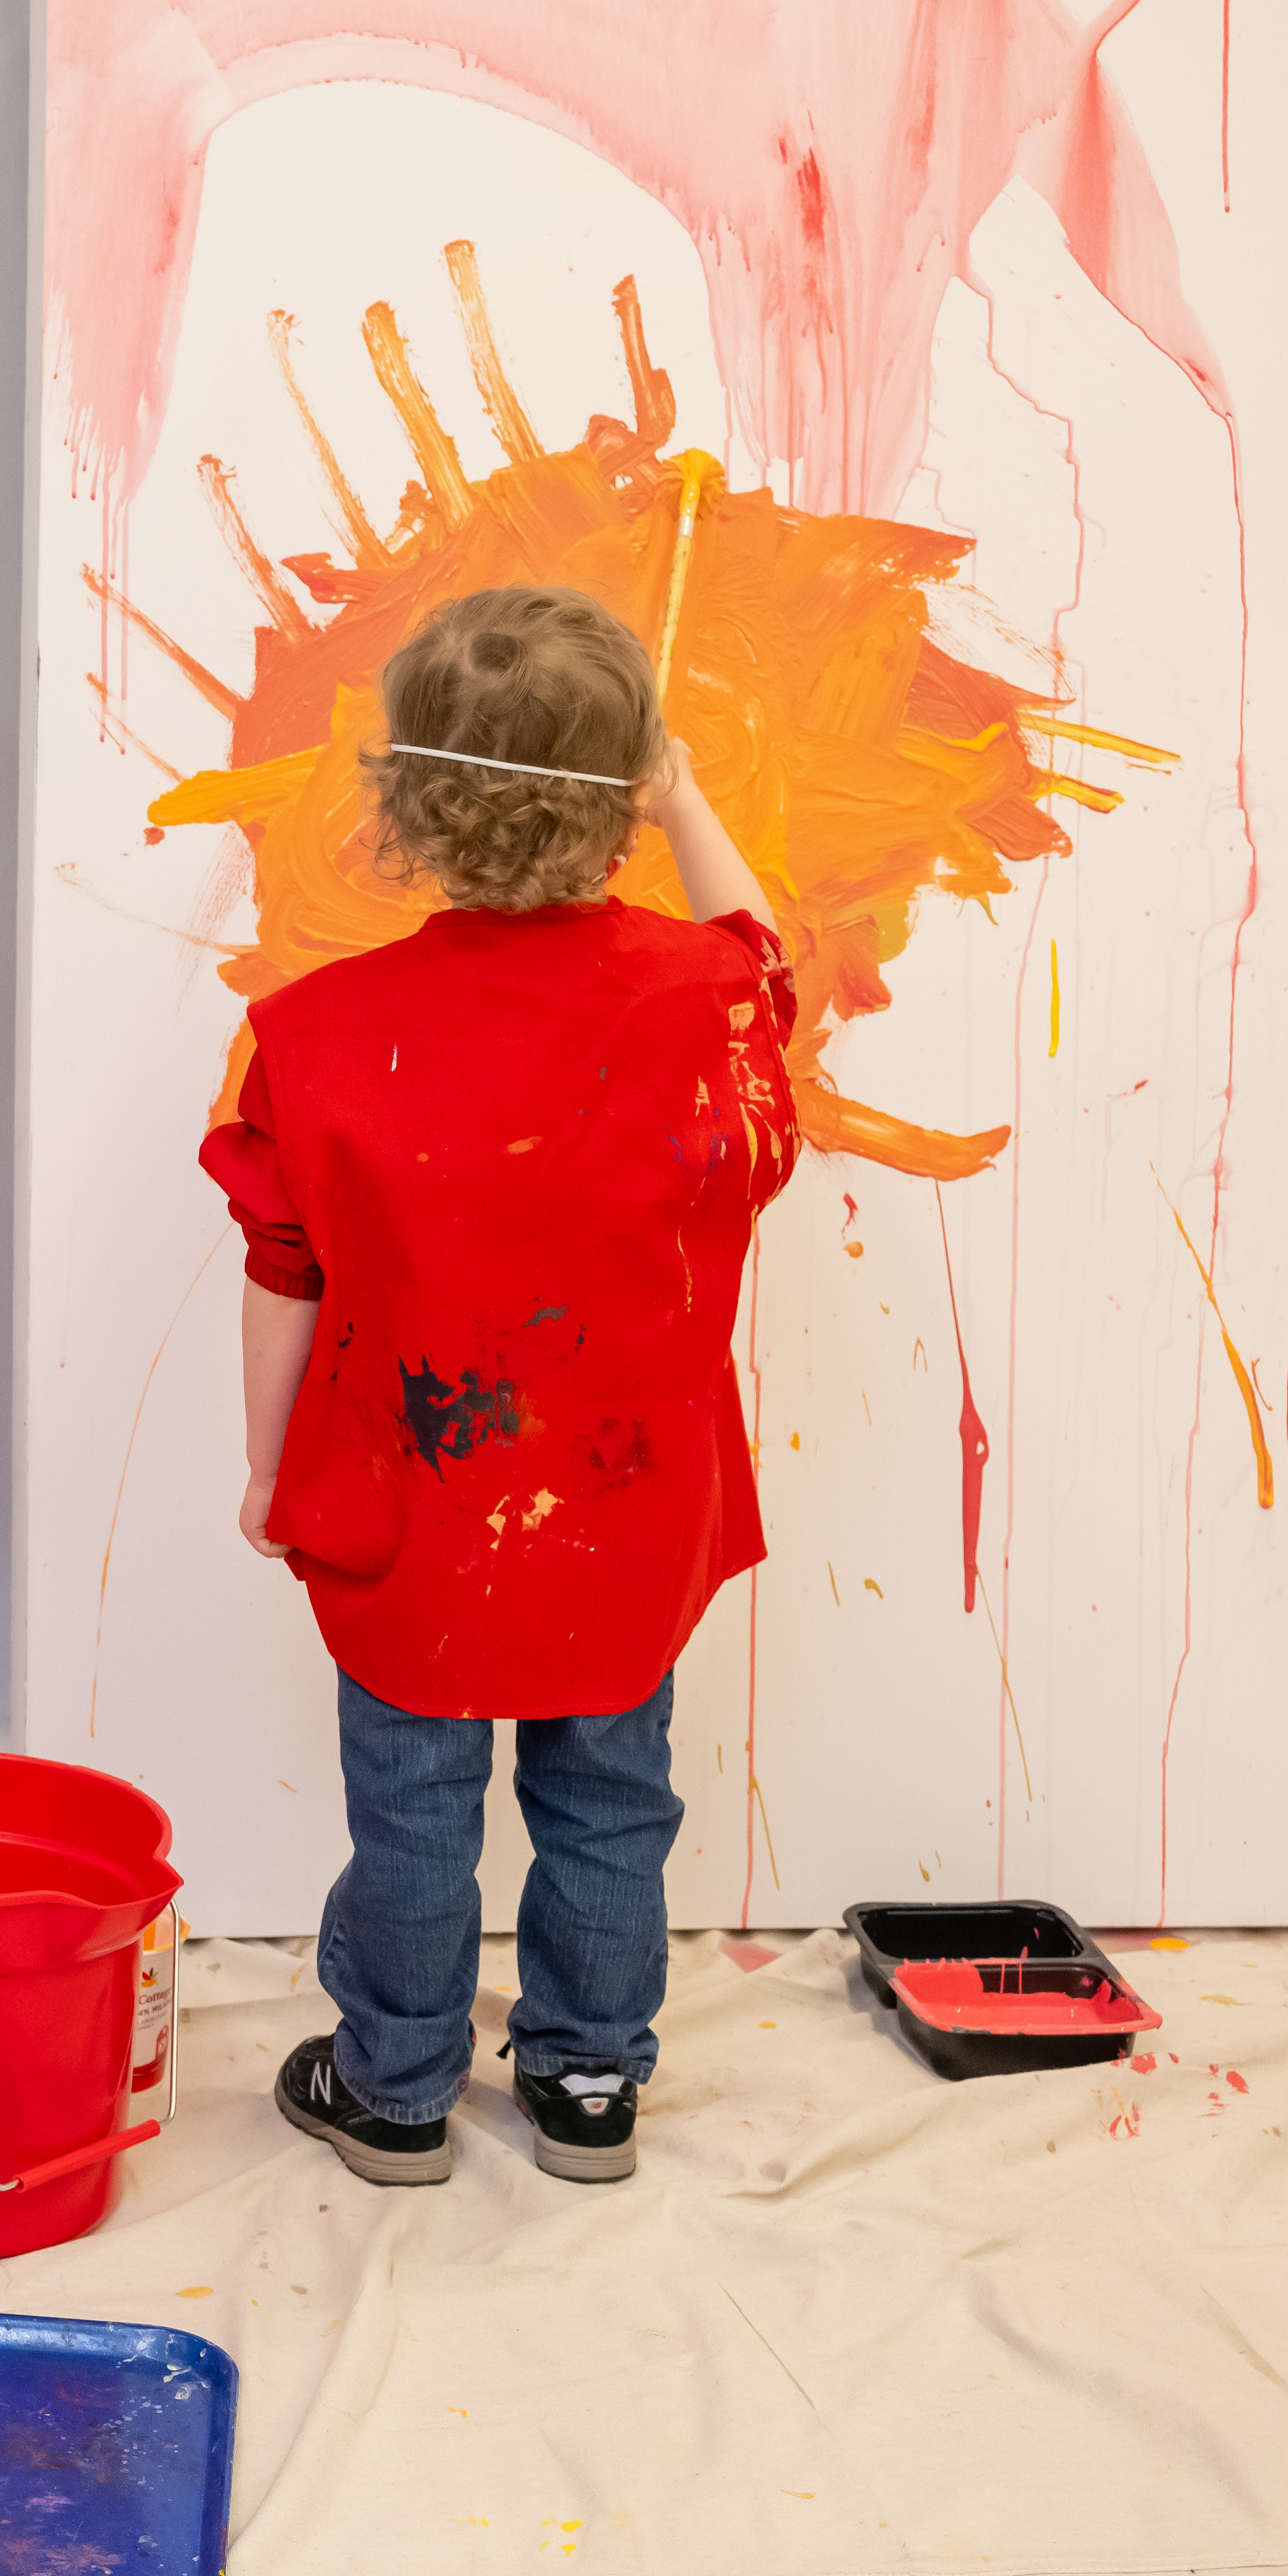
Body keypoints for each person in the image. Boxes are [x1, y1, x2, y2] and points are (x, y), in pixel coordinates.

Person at [205, 582, 796, 2187]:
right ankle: (590, 2084)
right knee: (612, 1798)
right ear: (628, 796)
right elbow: (764, 952)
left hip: (412, 1496)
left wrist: (268, 1472)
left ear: (404, 799)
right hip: (625, 1501)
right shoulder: (713, 1007)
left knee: (414, 1808)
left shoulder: (315, 1033)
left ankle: (395, 2088)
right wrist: (683, 799)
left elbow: (283, 1273)